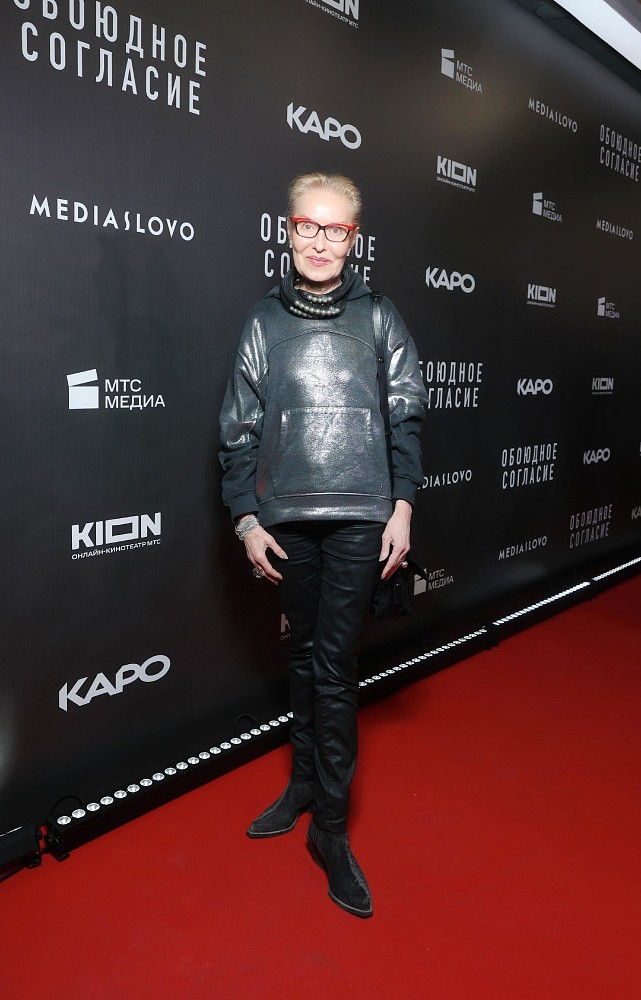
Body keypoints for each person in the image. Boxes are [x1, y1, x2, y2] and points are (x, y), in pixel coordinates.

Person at [218, 172, 427, 918]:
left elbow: (406, 416)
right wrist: (246, 520)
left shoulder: (380, 317)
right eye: (306, 225)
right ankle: (303, 785)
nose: (318, 241)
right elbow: (237, 431)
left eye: (334, 229)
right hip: (286, 520)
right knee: (303, 658)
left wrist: (402, 508)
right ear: (289, 230)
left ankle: (330, 831)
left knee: (334, 670)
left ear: (352, 239)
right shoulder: (261, 321)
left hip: (361, 517)